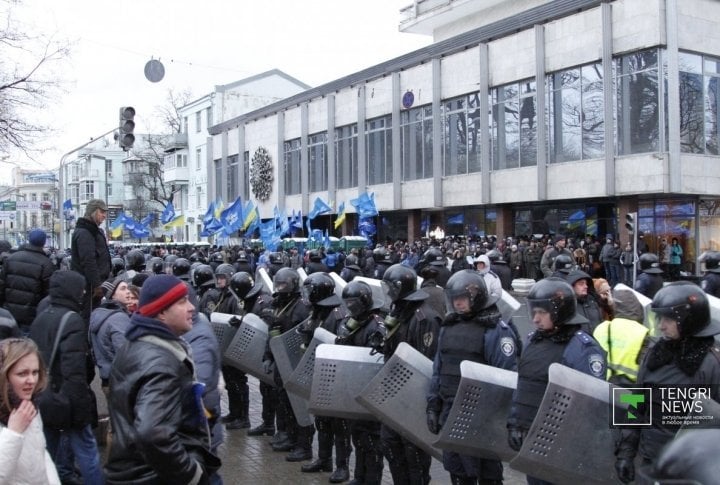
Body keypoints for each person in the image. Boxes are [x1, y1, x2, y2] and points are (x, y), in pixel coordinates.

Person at [105, 274, 221, 483]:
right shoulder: (162, 363)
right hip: (152, 476)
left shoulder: (135, 345)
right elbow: (152, 432)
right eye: (182, 301)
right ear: (161, 312)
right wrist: (191, 474)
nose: (192, 307)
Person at [614, 282, 720, 484]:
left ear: (689, 320)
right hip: (650, 462)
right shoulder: (655, 354)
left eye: (669, 319)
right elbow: (635, 403)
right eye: (659, 318)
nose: (661, 325)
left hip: (690, 471)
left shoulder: (712, 364)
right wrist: (625, 452)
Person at [507, 277, 606, 485]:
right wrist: (516, 423)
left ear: (559, 312)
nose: (534, 319)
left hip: (563, 445)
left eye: (541, 313)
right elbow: (523, 386)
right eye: (534, 312)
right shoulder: (531, 341)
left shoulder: (581, 348)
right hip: (533, 438)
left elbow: (590, 403)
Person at [427, 270, 519, 485]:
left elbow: (506, 378)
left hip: (482, 416)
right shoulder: (448, 327)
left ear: (476, 297)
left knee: (487, 473)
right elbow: (438, 369)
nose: (457, 304)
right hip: (451, 410)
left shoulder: (496, 330)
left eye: (462, 298)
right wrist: (433, 405)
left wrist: (506, 420)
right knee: (457, 469)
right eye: (454, 299)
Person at [30, 270, 105, 485]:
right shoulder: (72, 320)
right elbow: (74, 370)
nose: (83, 292)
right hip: (67, 399)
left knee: (47, 452)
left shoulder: (42, 316)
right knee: (88, 450)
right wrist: (81, 408)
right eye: (81, 288)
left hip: (45, 396)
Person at [378, 264, 442, 485]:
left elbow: (427, 364)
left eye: (390, 288)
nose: (387, 293)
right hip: (394, 393)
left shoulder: (425, 318)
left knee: (413, 454)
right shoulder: (399, 313)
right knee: (390, 445)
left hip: (413, 396)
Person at [296, 273, 351, 482]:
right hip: (320, 373)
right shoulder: (318, 311)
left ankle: (342, 465)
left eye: (310, 291)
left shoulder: (337, 315)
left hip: (335, 376)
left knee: (339, 425)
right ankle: (324, 459)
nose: (307, 295)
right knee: (322, 421)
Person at [335, 280, 386, 485]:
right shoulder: (350, 321)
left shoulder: (376, 325)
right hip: (353, 386)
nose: (350, 307)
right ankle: (360, 476)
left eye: (353, 303)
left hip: (370, 390)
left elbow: (379, 360)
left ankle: (372, 479)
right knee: (358, 436)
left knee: (372, 441)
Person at [0, 338, 61, 485]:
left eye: (35, 372)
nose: (32, 380)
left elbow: (41, 453)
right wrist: (13, 433)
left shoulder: (28, 405)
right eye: (22, 373)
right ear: (4, 376)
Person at [0, 228, 55, 334]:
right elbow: (47, 293)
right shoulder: (46, 264)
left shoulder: (11, 259)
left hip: (9, 312)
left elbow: (2, 285)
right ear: (43, 243)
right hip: (31, 315)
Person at [592, 288, 651, 385]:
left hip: (600, 389)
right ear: (638, 308)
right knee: (641, 400)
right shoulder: (642, 332)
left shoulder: (601, 328)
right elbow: (646, 370)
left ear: (616, 307)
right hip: (628, 394)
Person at [89, 274, 132, 395]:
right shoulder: (118, 318)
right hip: (121, 381)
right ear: (112, 294)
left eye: (128, 288)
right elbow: (125, 353)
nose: (128, 292)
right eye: (123, 289)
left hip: (106, 377)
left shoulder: (98, 314)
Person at [71, 199, 112, 320]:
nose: (104, 216)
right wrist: (97, 285)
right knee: (89, 317)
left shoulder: (93, 231)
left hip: (96, 284)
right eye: (102, 212)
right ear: (93, 212)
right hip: (90, 288)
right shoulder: (85, 232)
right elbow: (88, 261)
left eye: (105, 212)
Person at [565, 270, 603, 334]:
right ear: (572, 286)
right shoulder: (567, 306)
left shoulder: (593, 302)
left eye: (586, 283)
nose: (586, 286)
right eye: (581, 284)